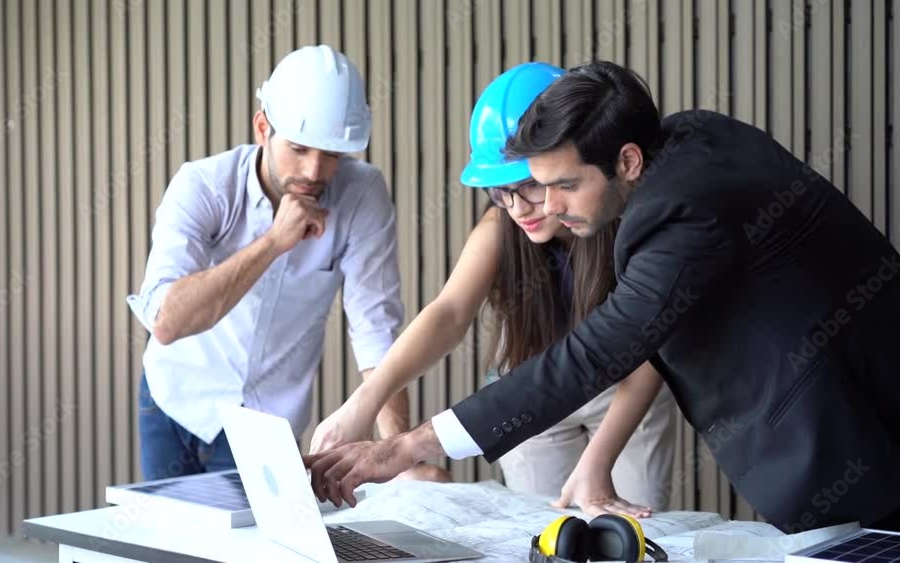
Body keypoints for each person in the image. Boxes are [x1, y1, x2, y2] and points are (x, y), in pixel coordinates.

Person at [304, 59, 900, 533]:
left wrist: (408, 445)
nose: (545, 207)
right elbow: (452, 312)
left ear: (628, 160)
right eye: (534, 187)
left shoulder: (678, 216)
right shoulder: (687, 139)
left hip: (855, 433)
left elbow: (597, 353)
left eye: (563, 185)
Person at [308, 63, 675, 516]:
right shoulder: (500, 225)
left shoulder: (631, 225)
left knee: (628, 527)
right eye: (501, 192)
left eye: (530, 185)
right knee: (541, 527)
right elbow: (448, 314)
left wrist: (596, 464)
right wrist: (362, 404)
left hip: (625, 391)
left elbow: (647, 352)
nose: (518, 208)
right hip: (534, 393)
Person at [127, 45, 448, 483]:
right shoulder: (203, 186)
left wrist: (397, 458)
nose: (315, 171)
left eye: (332, 154)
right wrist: (274, 243)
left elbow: (376, 330)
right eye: (298, 148)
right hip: (174, 401)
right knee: (168, 529)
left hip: (266, 423)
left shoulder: (362, 196)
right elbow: (167, 322)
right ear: (263, 128)